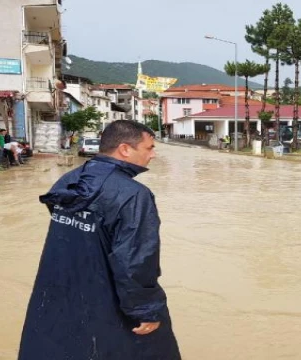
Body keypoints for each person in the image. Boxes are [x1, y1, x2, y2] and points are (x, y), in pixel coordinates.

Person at [18, 120, 181, 360]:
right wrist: (145, 309)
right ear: (125, 149)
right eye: (149, 148)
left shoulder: (69, 180)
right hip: (108, 294)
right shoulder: (134, 195)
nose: (153, 155)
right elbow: (135, 261)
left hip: (61, 288)